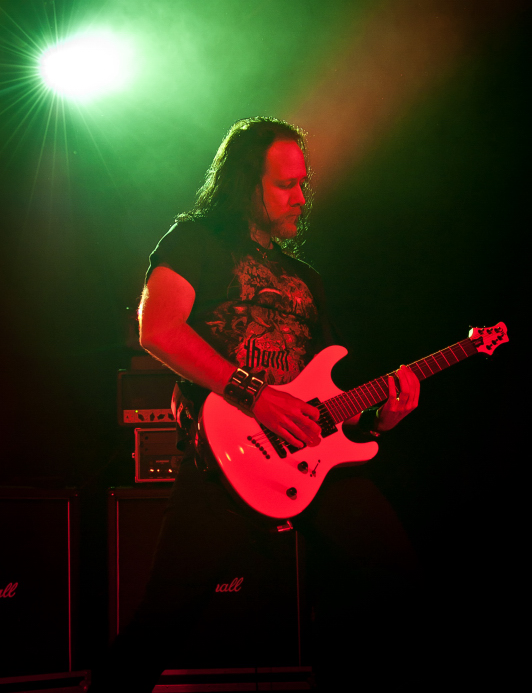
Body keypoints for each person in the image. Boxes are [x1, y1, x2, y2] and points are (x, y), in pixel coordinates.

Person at [89, 116, 421, 692]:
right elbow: (158, 329)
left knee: (391, 578)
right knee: (165, 618)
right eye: (286, 184)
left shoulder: (305, 279)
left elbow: (326, 392)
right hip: (225, 456)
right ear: (247, 183)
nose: (301, 197)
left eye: (303, 184)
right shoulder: (194, 240)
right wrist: (255, 395)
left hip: (310, 459)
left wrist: (378, 418)